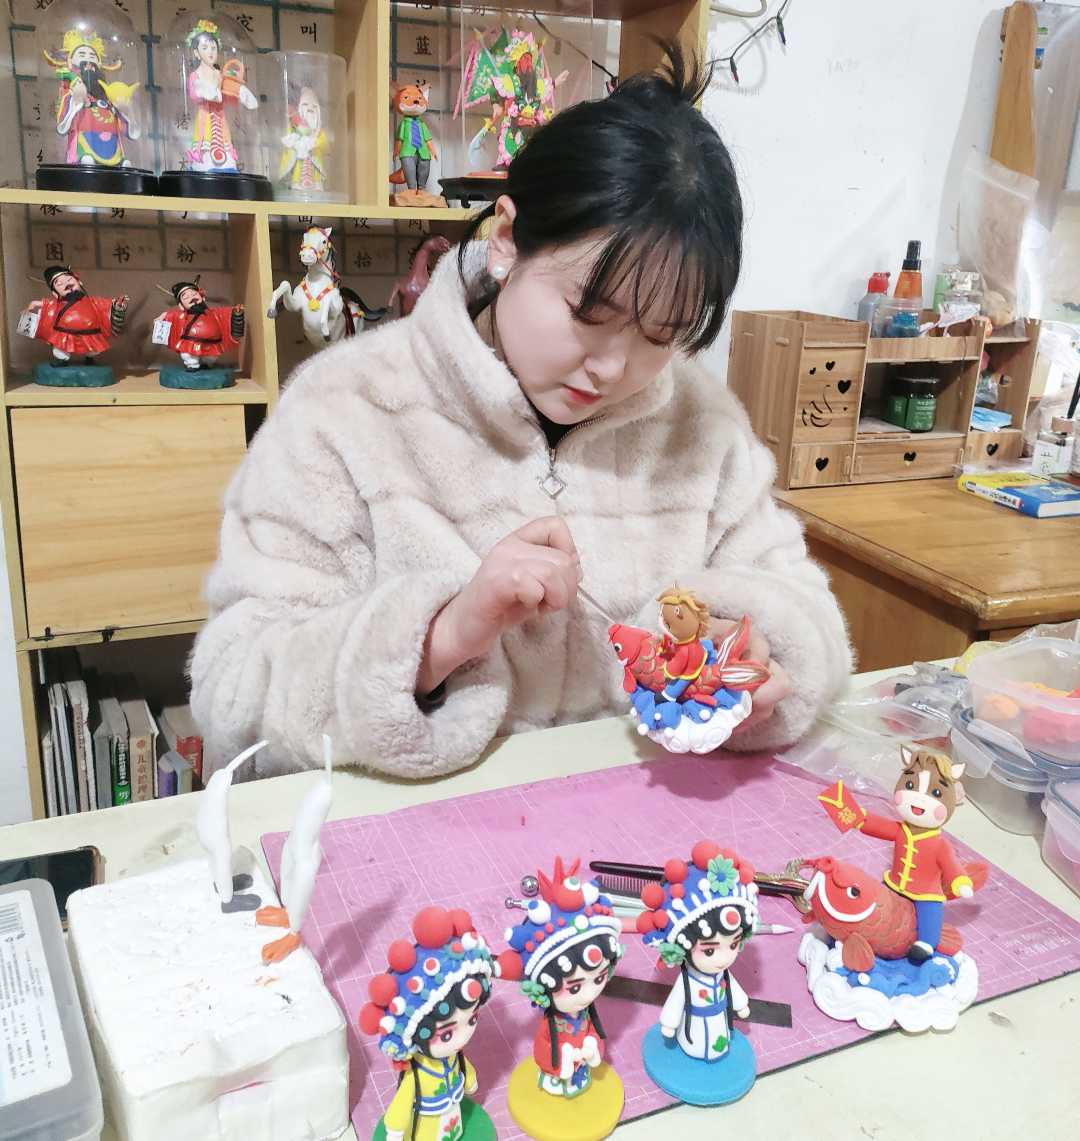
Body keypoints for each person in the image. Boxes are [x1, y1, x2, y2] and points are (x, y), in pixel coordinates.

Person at [189, 45, 851, 779]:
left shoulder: (704, 426)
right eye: (589, 312)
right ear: (505, 241)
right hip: (419, 830)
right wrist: (443, 635)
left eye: (660, 335)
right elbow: (233, 688)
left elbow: (808, 619)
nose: (612, 367)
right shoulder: (346, 409)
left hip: (640, 825)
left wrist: (754, 658)